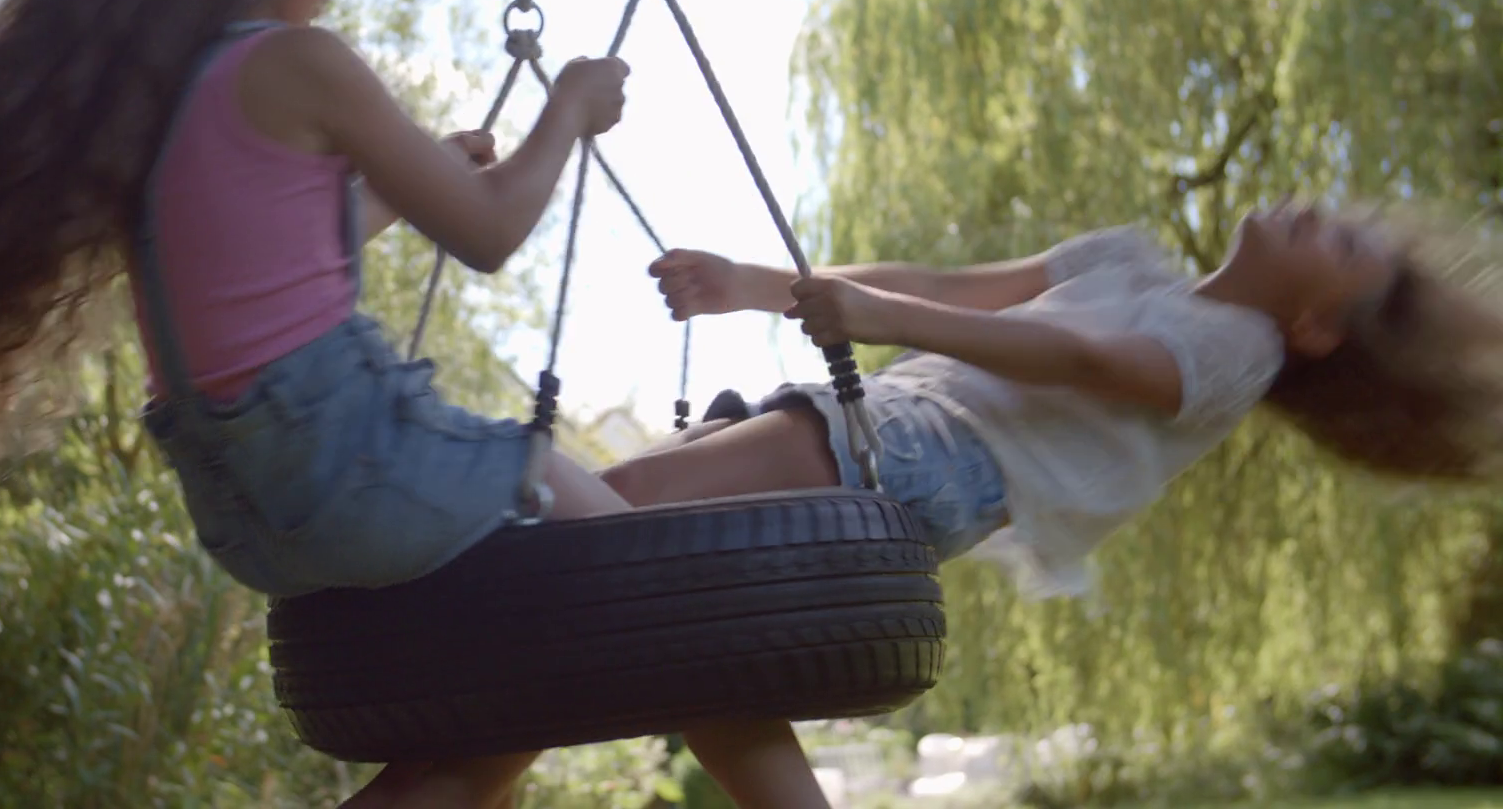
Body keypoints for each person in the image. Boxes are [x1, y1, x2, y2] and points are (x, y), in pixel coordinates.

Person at [0, 0, 832, 809]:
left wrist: (400, 187)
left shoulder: (152, 102)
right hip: (360, 456)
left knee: (487, 741)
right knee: (687, 613)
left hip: (253, 502)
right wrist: (568, 109)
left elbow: (261, 267)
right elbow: (491, 235)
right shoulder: (298, 61)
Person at [607, 200, 1503, 600]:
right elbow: (952, 286)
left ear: (1312, 328)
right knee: (615, 535)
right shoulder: (1126, 260)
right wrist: (754, 283)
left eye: (1343, 242)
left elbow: (1073, 357)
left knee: (606, 516)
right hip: (888, 414)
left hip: (925, 451)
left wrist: (879, 314)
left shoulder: (1239, 356)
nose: (1323, 207)